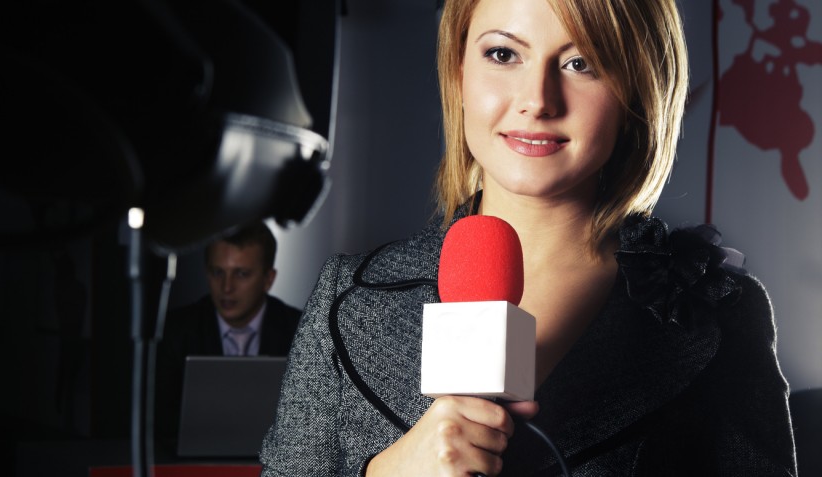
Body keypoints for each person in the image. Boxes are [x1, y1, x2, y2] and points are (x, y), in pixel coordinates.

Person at [259, 0, 798, 475]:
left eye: (580, 63)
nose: (537, 100)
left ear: (639, 87)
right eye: (502, 54)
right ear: (459, 71)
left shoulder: (719, 312)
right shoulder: (346, 296)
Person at [154, 220, 302, 440]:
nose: (226, 287)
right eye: (217, 272)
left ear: (268, 279)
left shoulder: (301, 332)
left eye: (241, 274)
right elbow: (158, 422)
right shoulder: (174, 331)